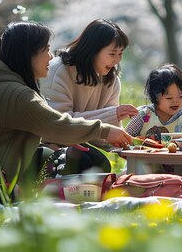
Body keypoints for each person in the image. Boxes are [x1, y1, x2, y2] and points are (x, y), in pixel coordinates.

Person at [0, 21, 133, 188]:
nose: (51, 57)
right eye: (46, 50)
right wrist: (105, 131)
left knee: (88, 159)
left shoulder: (5, 84)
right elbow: (57, 125)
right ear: (28, 54)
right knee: (87, 162)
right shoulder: (16, 94)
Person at [39, 19, 138, 172]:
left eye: (120, 54)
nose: (117, 60)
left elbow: (107, 135)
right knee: (87, 163)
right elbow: (59, 124)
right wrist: (113, 114)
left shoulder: (111, 79)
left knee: (100, 164)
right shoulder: (58, 71)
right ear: (92, 50)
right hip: (48, 145)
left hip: (81, 145)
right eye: (112, 53)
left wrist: (127, 144)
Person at [126, 64, 182, 140]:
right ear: (155, 97)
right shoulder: (144, 116)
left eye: (181, 96)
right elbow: (125, 137)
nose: (176, 101)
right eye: (169, 98)